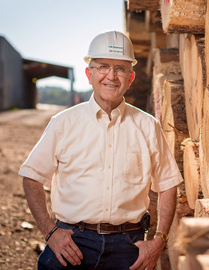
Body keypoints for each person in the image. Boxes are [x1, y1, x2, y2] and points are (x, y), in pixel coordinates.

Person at [19, 30, 183, 270]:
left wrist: (159, 241)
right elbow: (31, 176)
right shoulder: (63, 123)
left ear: (131, 77)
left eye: (120, 69)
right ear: (89, 74)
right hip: (72, 243)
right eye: (103, 67)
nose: (111, 76)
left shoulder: (148, 126)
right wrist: (50, 232)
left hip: (129, 247)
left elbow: (168, 183)